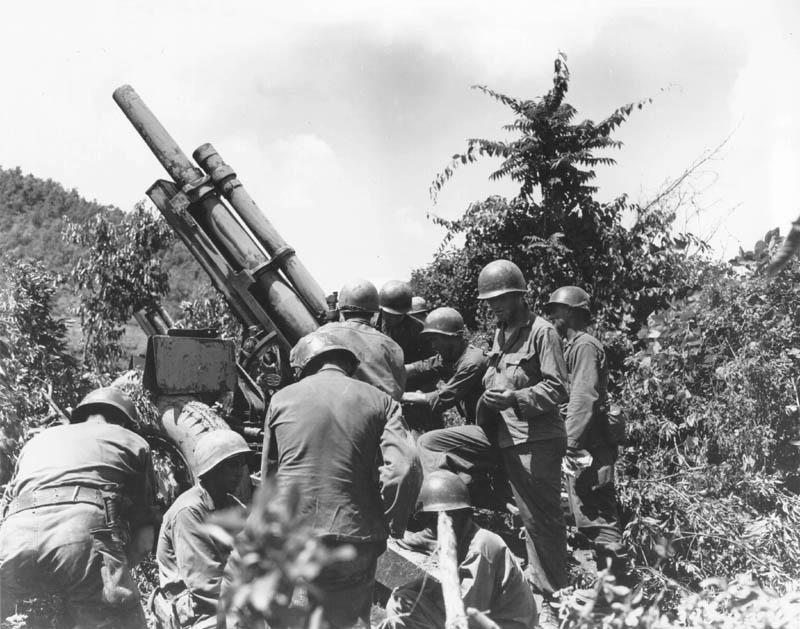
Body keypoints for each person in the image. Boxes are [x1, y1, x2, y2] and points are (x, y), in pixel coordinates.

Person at [416, 260, 569, 629]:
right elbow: (494, 372)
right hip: (498, 433)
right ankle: (441, 521)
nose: (494, 306)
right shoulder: (501, 332)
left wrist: (516, 397)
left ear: (518, 295)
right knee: (433, 442)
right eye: (489, 301)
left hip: (535, 439)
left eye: (500, 298)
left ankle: (552, 599)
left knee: (539, 521)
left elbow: (558, 388)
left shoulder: (542, 333)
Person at [261, 332, 422, 627]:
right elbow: (403, 468)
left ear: (304, 367)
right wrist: (393, 524)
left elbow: (269, 475)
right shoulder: (382, 401)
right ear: (347, 365)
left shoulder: (280, 399)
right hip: (353, 534)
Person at [0, 387, 160, 629]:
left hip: (12, 539)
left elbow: (9, 501)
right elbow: (144, 539)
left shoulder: (37, 441)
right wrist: (114, 574)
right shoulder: (131, 440)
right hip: (79, 536)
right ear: (123, 421)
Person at [544, 286, 627, 579]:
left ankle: (618, 594)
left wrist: (569, 444)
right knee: (583, 513)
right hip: (581, 443)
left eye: (556, 309)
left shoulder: (584, 346)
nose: (551, 315)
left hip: (588, 445)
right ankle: (606, 588)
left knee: (598, 518)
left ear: (570, 312)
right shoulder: (569, 347)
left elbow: (583, 397)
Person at [385, 471, 536, 629]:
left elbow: (467, 613)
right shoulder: (463, 536)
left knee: (403, 601)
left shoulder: (482, 545)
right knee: (404, 600)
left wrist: (415, 588)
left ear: (464, 514)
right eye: (434, 519)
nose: (443, 523)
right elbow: (417, 541)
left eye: (449, 515)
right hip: (486, 619)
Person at [153, 430, 251, 629]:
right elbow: (204, 585)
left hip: (223, 597)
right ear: (212, 469)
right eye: (232, 464)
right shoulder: (189, 511)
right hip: (193, 607)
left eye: (242, 463)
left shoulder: (230, 505)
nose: (240, 471)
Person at [317, 278, 406, 400]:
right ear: (374, 312)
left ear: (341, 309)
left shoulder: (321, 334)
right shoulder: (392, 346)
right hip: (380, 413)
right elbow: (399, 389)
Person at [403, 307, 488, 431]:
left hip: (491, 430)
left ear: (451, 337)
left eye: (435, 339)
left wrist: (403, 396)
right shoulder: (451, 356)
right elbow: (420, 367)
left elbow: (445, 397)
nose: (433, 346)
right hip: (475, 424)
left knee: (429, 442)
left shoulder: (472, 362)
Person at [379, 280, 435, 364]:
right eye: (389, 315)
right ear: (381, 309)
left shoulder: (418, 329)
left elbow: (430, 360)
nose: (394, 319)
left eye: (398, 315)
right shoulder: (369, 325)